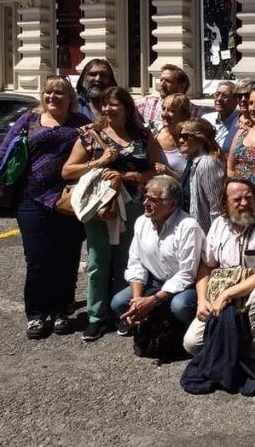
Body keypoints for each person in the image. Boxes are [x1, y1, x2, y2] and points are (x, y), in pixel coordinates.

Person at [0, 76, 90, 338]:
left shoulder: (81, 124)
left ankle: (62, 310)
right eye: (48, 93)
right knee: (37, 259)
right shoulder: (29, 119)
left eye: (59, 93)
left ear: (70, 98)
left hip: (67, 198)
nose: (52, 97)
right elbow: (3, 152)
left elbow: (98, 149)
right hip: (31, 198)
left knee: (66, 257)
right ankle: (37, 314)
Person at [62, 86, 163, 341]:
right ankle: (96, 316)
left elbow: (156, 171)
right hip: (100, 208)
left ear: (127, 108)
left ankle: (122, 312)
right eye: (104, 104)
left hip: (135, 206)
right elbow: (67, 171)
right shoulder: (90, 135)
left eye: (114, 104)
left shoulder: (142, 135)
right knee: (98, 261)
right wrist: (99, 162)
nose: (107, 109)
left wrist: (126, 175)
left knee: (127, 261)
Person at [183, 178, 255, 362]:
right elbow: (206, 265)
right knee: (191, 345)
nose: (244, 203)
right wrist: (202, 300)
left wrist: (227, 294)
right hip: (223, 298)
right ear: (224, 203)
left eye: (249, 197)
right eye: (237, 200)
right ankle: (229, 352)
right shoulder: (219, 225)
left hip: (252, 295)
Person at [110, 175, 204, 327]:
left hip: (186, 285)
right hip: (154, 280)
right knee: (119, 302)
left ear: (172, 204)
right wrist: (137, 300)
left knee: (180, 306)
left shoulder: (188, 226)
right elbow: (136, 262)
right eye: (145, 197)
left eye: (153, 200)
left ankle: (188, 337)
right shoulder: (141, 222)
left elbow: (187, 274)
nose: (146, 203)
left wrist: (153, 300)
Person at [177, 118, 225, 234]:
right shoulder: (191, 161)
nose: (180, 140)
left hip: (203, 233)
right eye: (179, 135)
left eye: (185, 136)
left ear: (201, 139)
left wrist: (214, 238)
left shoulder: (208, 163)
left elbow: (216, 206)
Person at [135, 64, 201, 128]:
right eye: (161, 80)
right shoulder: (147, 104)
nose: (162, 84)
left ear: (181, 87)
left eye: (168, 81)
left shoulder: (196, 113)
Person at [154, 93, 191, 177]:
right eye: (163, 109)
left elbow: (192, 179)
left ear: (185, 115)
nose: (164, 114)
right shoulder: (154, 132)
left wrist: (168, 172)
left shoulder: (191, 140)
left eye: (171, 111)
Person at [201, 81, 240, 154]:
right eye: (217, 94)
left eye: (225, 96)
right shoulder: (205, 119)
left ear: (236, 100)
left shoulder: (240, 122)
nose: (219, 99)